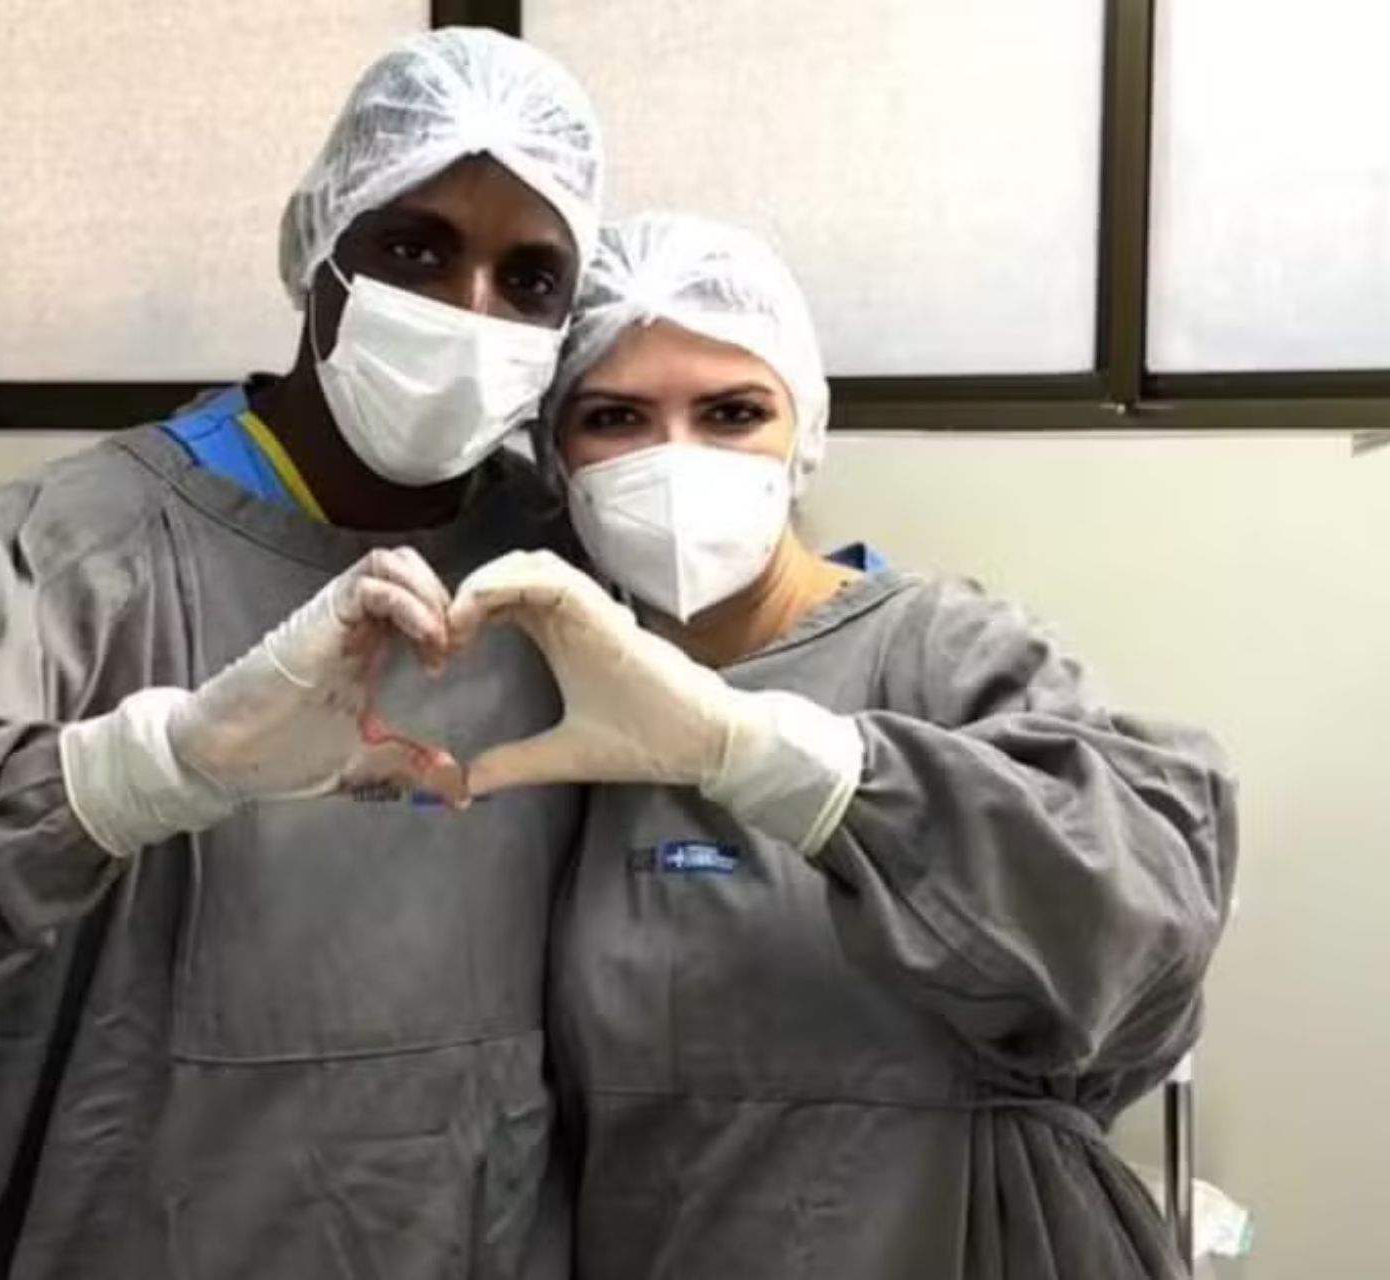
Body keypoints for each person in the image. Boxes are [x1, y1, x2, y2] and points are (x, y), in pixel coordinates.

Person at [0, 29, 602, 1280]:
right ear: (318, 254)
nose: (469, 311)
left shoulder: (562, 577)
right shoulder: (81, 552)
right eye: (416, 248)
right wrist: (129, 774)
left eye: (529, 279)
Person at [448, 212, 1238, 1279]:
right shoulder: (555, 703)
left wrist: (789, 766)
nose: (673, 457)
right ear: (557, 455)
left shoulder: (937, 650)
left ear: (802, 432)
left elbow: (1143, 918)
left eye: (731, 411)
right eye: (616, 416)